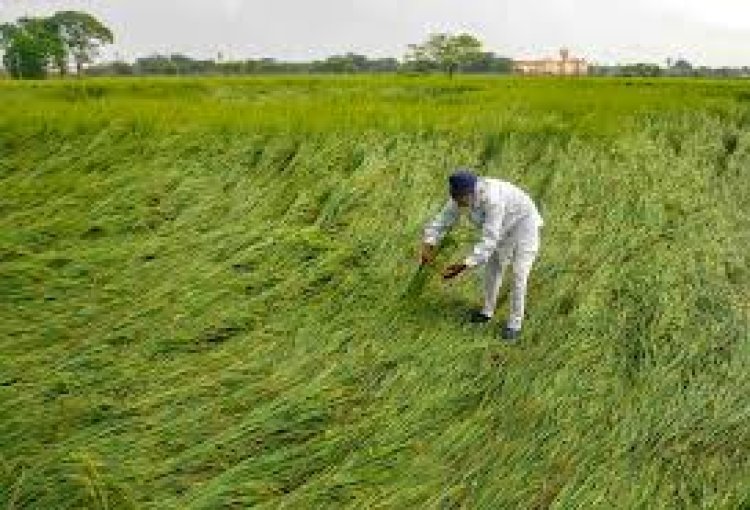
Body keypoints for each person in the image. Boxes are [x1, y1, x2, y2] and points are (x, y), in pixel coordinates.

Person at [420, 168, 544, 341]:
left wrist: (464, 265)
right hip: (501, 226)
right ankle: (486, 312)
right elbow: (441, 221)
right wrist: (428, 244)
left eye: (461, 199)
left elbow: (489, 240)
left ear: (471, 192)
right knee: (493, 268)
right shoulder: (458, 198)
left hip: (524, 224)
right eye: (455, 198)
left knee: (518, 273)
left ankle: (514, 324)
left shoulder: (493, 200)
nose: (458, 203)